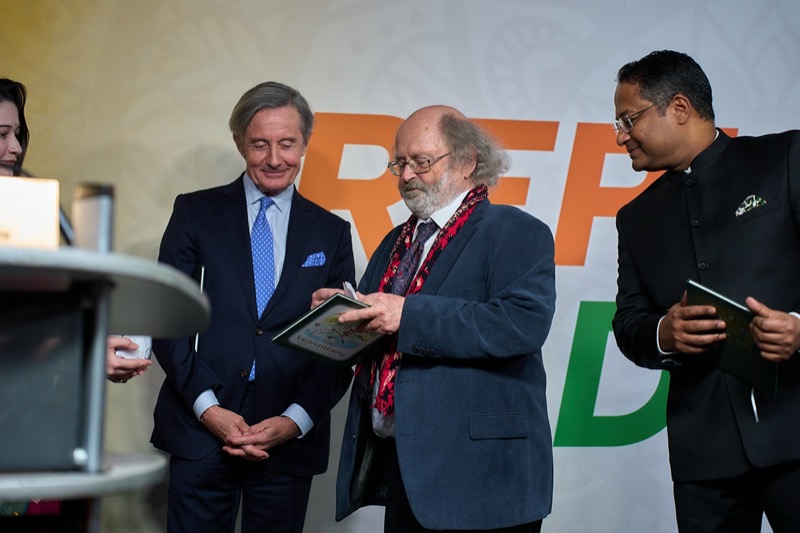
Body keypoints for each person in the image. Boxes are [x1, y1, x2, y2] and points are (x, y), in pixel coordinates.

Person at [312, 105, 556, 532]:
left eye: (421, 162)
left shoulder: (516, 230)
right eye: (400, 163)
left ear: (467, 161)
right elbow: (374, 331)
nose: (407, 175)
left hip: (485, 480)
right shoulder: (396, 241)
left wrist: (406, 315)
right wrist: (339, 315)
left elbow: (522, 323)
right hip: (407, 472)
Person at [152, 81, 355, 532]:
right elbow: (167, 318)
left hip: (286, 440)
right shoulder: (194, 213)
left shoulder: (332, 232)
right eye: (260, 144)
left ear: (305, 142)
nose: (275, 159)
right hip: (199, 429)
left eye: (288, 144)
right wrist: (209, 410)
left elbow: (341, 344)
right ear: (239, 142)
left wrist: (294, 421)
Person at [612, 50, 800, 532]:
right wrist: (664, 332)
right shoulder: (635, 218)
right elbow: (629, 322)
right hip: (703, 457)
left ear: (679, 107)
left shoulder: (784, 157)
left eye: (629, 120)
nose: (621, 136)